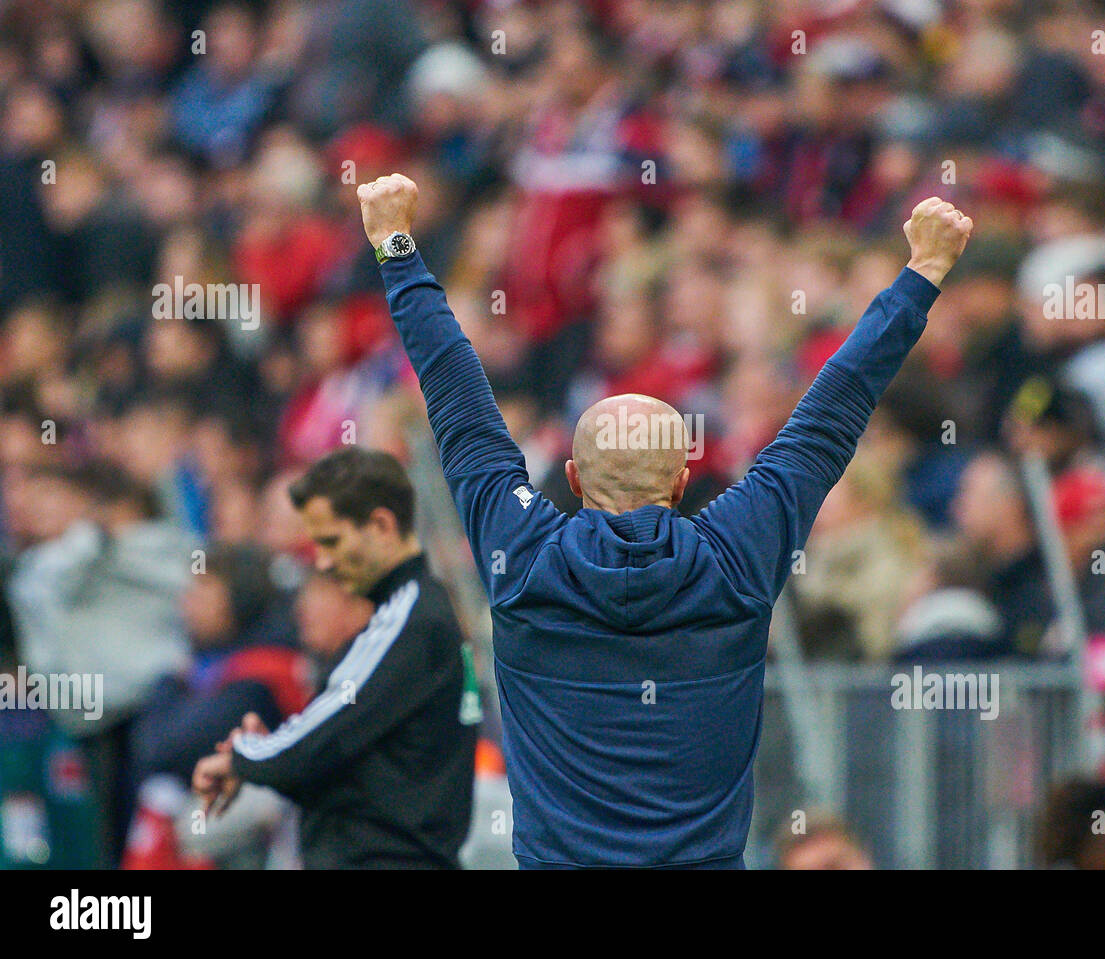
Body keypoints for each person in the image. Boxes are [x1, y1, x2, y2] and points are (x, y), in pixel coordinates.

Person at [356, 172, 971, 867]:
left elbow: (455, 393)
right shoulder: (735, 554)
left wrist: (396, 245)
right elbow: (834, 410)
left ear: (574, 479)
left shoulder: (521, 554)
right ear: (682, 483)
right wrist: (922, 272)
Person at [191, 448, 479, 869]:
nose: (324, 561)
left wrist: (246, 755)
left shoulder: (410, 618)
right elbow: (345, 763)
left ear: (381, 525)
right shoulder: (413, 612)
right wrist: (269, 753)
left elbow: (315, 743)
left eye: (332, 542)